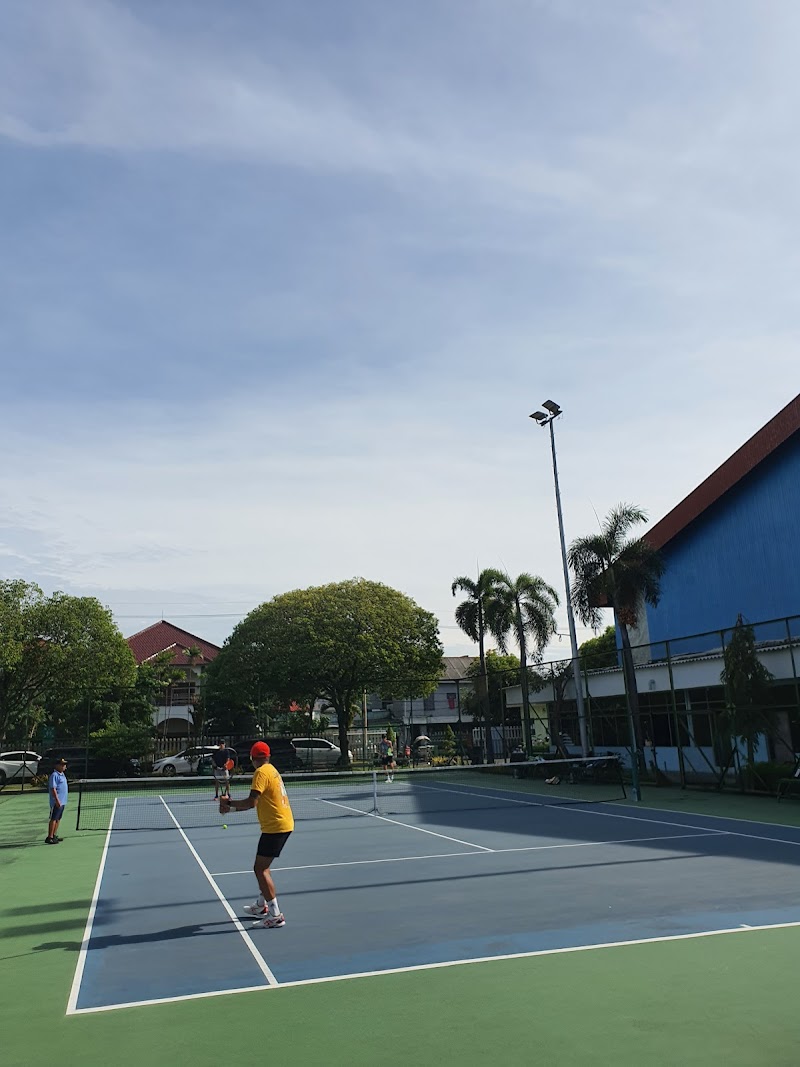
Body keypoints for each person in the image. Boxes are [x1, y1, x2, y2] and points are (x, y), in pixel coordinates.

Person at [220, 742, 294, 929]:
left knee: (260, 869)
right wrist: (230, 808)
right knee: (263, 867)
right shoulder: (272, 770)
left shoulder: (260, 773)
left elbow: (251, 802)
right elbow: (255, 803)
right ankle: (261, 906)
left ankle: (276, 915)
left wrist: (228, 804)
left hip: (275, 827)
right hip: (282, 824)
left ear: (253, 758)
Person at [46, 758, 68, 844]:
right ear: (57, 765)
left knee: (58, 818)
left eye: (64, 765)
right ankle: (50, 837)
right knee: (53, 819)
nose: (63, 766)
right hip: (56, 802)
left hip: (62, 801)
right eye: (62, 765)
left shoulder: (62, 775)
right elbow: (53, 789)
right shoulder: (54, 775)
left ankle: (54, 835)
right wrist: (57, 800)